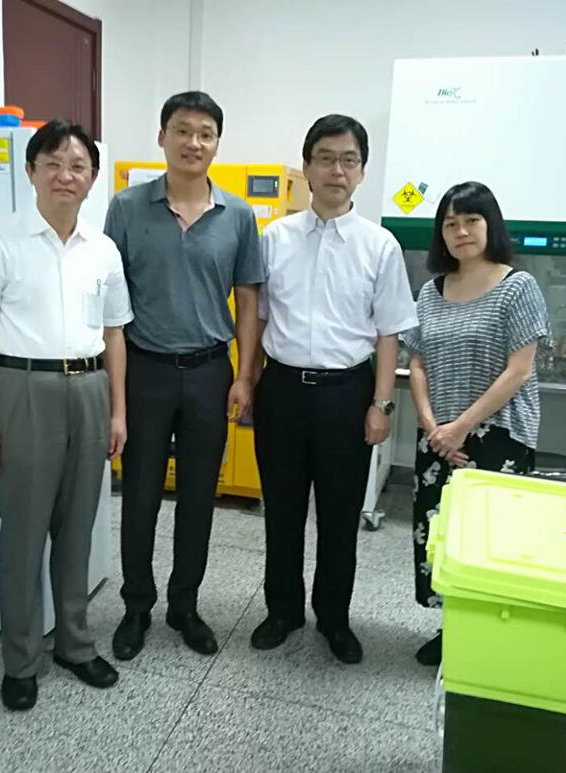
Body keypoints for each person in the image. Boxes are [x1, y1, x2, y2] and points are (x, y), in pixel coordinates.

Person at [0, 120, 133, 711]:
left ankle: (75, 646)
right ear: (31, 171)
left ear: (92, 178)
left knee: (79, 528)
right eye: (53, 163)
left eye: (78, 165)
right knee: (23, 534)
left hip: (90, 389)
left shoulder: (103, 250)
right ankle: (21, 660)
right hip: (22, 389)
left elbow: (115, 334)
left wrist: (118, 412)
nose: (65, 175)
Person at [249, 115, 417, 664]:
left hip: (348, 393)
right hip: (282, 389)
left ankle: (334, 618)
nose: (337, 170)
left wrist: (382, 404)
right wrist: (248, 382)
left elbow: (389, 332)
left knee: (341, 515)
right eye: (325, 158)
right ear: (307, 166)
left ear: (361, 171)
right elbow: (257, 318)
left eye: (349, 160)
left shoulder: (380, 245)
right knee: (282, 510)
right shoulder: (274, 239)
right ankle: (282, 611)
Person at [104, 92, 264, 660]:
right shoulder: (126, 208)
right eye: (182, 131)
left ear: (217, 143)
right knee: (140, 495)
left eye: (205, 133)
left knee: (199, 497)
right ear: (162, 137)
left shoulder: (238, 216)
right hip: (144, 370)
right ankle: (136, 607)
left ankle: (185, 605)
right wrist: (112, 386)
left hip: (208, 373)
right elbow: (110, 300)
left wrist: (244, 377)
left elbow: (249, 301)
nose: (193, 143)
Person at [402, 181, 549, 667]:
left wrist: (461, 426)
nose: (460, 231)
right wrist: (431, 424)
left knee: (490, 539)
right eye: (450, 223)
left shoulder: (517, 287)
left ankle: (487, 636)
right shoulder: (431, 292)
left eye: (471, 221)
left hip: (497, 436)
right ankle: (452, 629)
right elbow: (417, 361)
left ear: (491, 226)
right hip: (438, 436)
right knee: (440, 533)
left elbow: (519, 370)